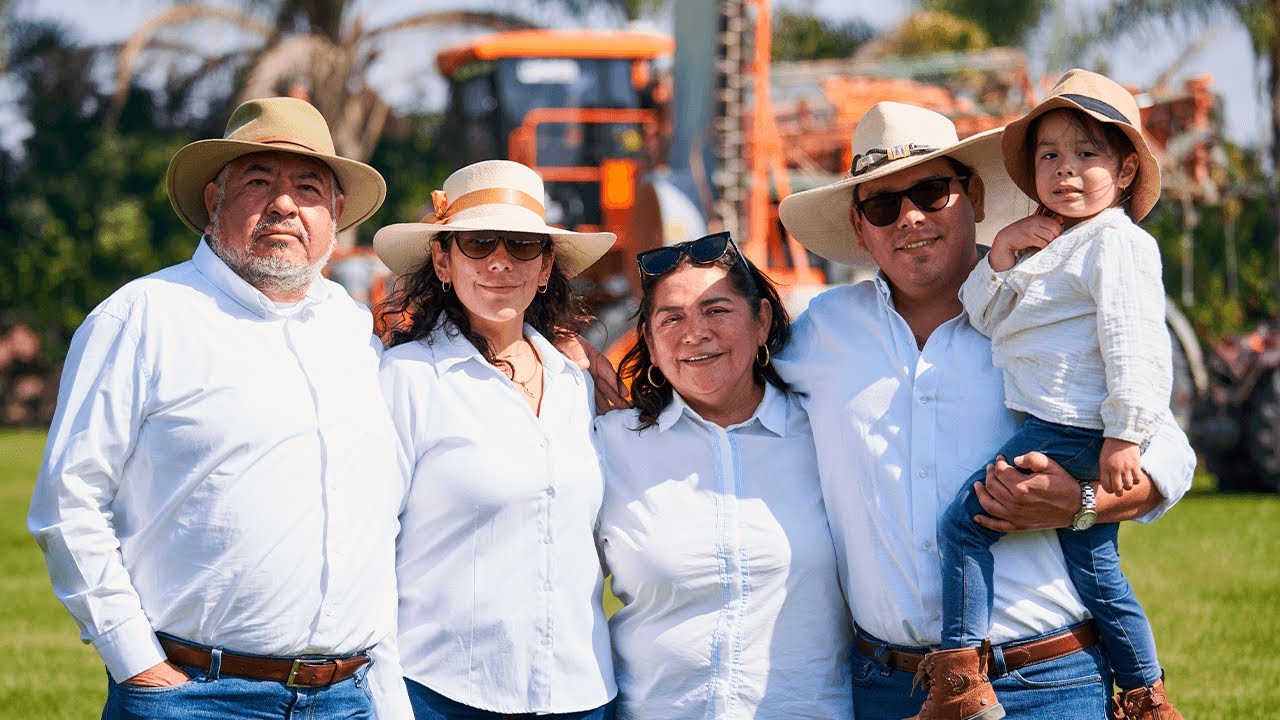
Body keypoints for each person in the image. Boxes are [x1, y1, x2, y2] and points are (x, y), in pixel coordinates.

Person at [773, 101, 1196, 719]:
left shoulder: (1045, 308)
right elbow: (719, 387)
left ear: (971, 195)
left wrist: (1080, 504)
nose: (910, 217)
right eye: (883, 206)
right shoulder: (821, 333)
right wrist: (583, 359)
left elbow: (1170, 457)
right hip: (887, 687)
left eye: (930, 191)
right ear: (861, 228)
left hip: (1046, 681)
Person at [28, 96, 408, 719]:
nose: (284, 204)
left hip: (349, 696)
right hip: (197, 695)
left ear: (334, 213)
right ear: (213, 201)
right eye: (259, 182)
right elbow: (68, 502)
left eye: (308, 188)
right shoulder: (143, 317)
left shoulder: (351, 327)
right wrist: (139, 665)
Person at [928, 69, 1186, 720]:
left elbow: (1135, 342)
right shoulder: (1049, 246)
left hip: (1071, 427)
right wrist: (1005, 255)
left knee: (964, 526)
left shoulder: (1118, 244)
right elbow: (982, 316)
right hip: (1068, 426)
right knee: (1096, 569)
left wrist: (1127, 433)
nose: (1065, 170)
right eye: (1049, 156)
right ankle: (1146, 694)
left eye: (1086, 154)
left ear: (1125, 171)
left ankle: (961, 681)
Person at [372, 160, 616, 720]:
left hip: (580, 695)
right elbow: (368, 552)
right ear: (443, 260)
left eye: (522, 245)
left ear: (546, 264)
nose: (500, 261)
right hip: (441, 693)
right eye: (478, 243)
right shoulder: (408, 378)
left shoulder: (577, 382)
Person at [594, 231, 853, 719]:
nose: (695, 333)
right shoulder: (610, 445)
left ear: (762, 322)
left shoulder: (828, 433)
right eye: (671, 318)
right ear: (649, 340)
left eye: (717, 310)